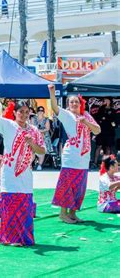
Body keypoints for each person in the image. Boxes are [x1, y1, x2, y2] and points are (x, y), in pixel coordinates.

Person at [0, 86, 45, 246]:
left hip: (26, 173)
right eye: (21, 112)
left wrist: (31, 143)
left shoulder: (34, 130)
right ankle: (9, 238)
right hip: (10, 173)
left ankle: (25, 238)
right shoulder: (8, 125)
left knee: (25, 205)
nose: (24, 115)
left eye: (27, 112)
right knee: (11, 204)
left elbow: (42, 151)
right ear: (15, 112)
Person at [48, 84, 101, 224]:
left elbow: (97, 130)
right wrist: (52, 92)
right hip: (71, 156)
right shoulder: (67, 115)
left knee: (79, 186)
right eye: (71, 102)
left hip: (84, 157)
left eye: (76, 102)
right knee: (67, 185)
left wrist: (86, 122)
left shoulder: (86, 115)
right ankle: (63, 213)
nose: (74, 104)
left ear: (80, 103)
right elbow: (54, 107)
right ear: (68, 104)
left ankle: (73, 213)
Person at [94, 97, 116, 164]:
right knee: (98, 146)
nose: (105, 102)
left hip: (109, 132)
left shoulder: (112, 110)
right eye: (104, 100)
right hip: (101, 131)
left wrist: (107, 119)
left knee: (108, 148)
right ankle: (95, 162)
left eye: (107, 100)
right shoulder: (101, 109)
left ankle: (108, 163)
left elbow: (114, 122)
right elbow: (97, 119)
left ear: (110, 101)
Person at [32, 106, 54, 170]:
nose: (40, 112)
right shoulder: (33, 118)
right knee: (32, 149)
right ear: (37, 111)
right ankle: (29, 164)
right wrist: (39, 132)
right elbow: (32, 127)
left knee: (42, 149)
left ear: (43, 112)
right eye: (39, 110)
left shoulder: (46, 119)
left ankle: (40, 165)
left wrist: (39, 131)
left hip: (44, 137)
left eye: (42, 111)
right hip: (35, 137)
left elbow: (47, 128)